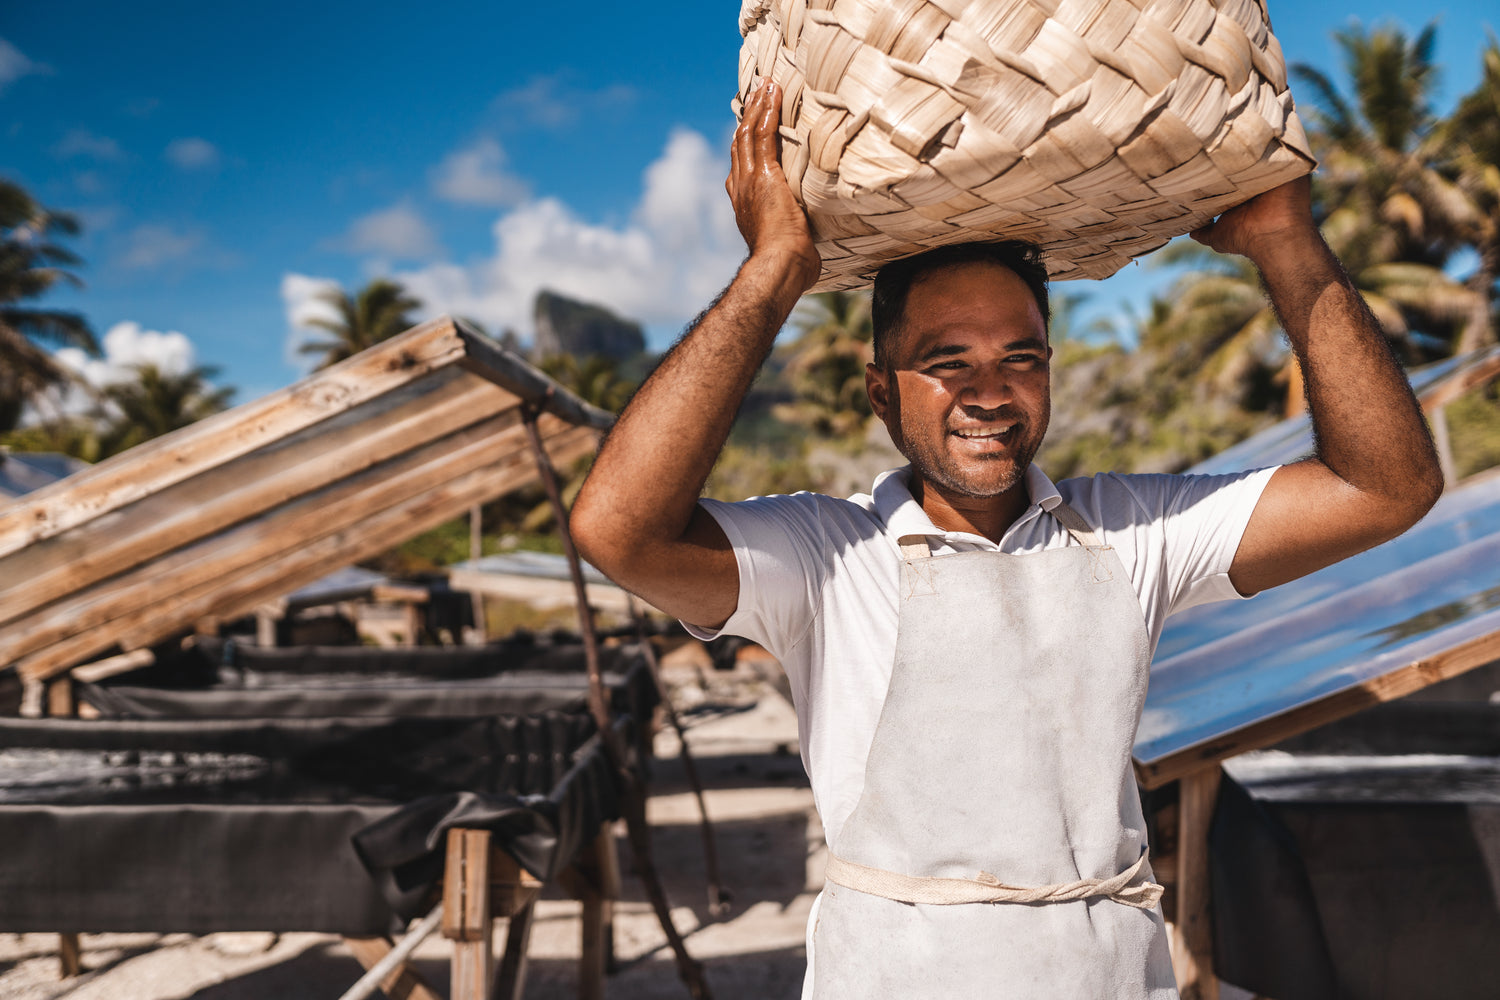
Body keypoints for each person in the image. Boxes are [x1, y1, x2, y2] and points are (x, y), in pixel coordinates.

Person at [569, 79, 1443, 998]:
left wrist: (1286, 242)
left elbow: (1386, 488)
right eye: (947, 364)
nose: (990, 392)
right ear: (879, 393)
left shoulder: (1127, 534)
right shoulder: (823, 557)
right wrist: (775, 269)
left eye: (1019, 358)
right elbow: (617, 529)